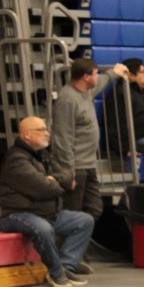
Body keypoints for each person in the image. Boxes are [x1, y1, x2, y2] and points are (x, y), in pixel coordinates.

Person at [0, 116, 95, 287]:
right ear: (27, 134)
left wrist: (54, 179)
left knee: (84, 221)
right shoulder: (16, 159)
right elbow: (43, 188)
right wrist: (56, 182)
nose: (47, 134)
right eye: (41, 130)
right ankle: (56, 273)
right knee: (43, 228)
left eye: (46, 129)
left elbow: (67, 175)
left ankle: (66, 266)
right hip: (18, 214)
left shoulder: (42, 155)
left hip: (47, 213)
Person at [51, 58, 128, 228]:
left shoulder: (86, 92)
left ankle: (79, 240)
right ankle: (66, 244)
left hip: (89, 165)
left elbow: (100, 83)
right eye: (95, 73)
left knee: (94, 208)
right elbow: (62, 138)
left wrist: (114, 72)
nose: (97, 77)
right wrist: (67, 171)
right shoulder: (68, 100)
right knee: (72, 213)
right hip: (75, 167)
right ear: (86, 77)